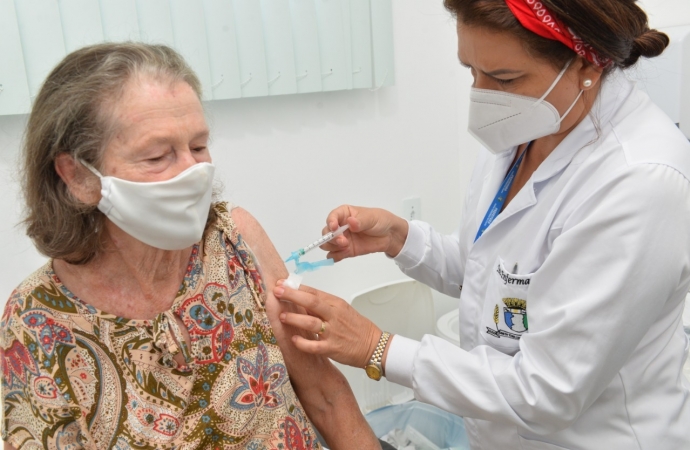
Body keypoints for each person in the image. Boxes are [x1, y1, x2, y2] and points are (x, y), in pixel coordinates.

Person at [273, 0, 690, 448]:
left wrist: (376, 347)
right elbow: (493, 273)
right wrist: (400, 238)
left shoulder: (638, 182)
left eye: (504, 79)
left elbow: (547, 390)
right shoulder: (526, 124)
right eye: (470, 70)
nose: (483, 96)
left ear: (586, 63)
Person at [0, 42, 382, 450]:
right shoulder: (35, 321)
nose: (195, 171)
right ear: (78, 177)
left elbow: (327, 397)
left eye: (199, 146)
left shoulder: (235, 239)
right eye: (158, 156)